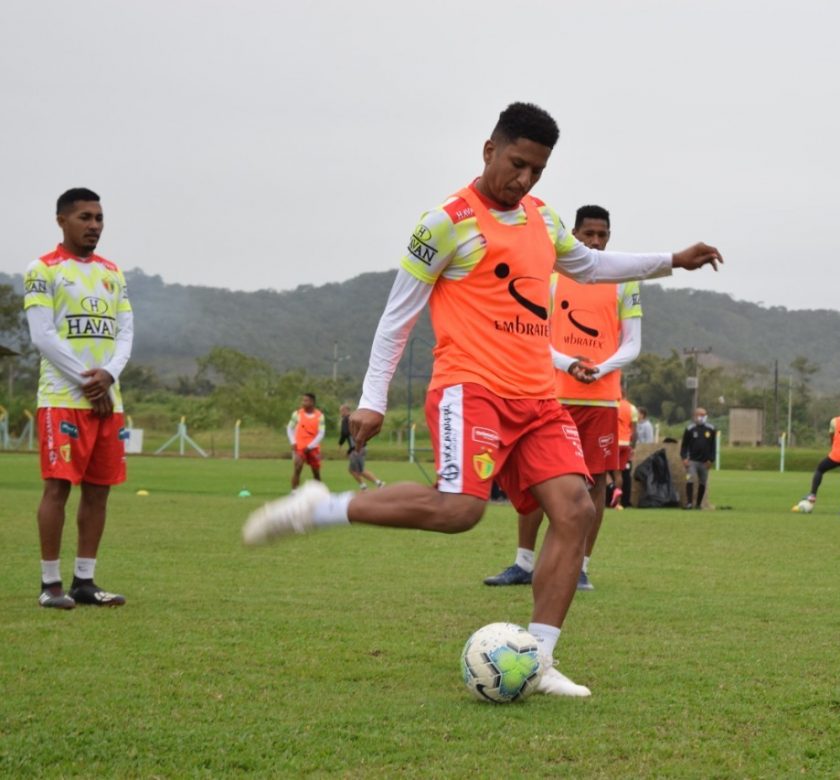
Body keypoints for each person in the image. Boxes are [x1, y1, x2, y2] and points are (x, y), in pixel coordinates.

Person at [242, 102, 722, 698]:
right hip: (470, 390)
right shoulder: (445, 222)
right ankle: (320, 508)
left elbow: (592, 266)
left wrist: (671, 259)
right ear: (489, 150)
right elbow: (397, 317)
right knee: (460, 511)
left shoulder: (542, 220)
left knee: (577, 510)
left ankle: (538, 660)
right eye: (517, 164)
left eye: (538, 171)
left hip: (539, 399)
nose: (524, 180)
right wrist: (372, 398)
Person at [483, 204, 643, 592]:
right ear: (573, 235)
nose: (596, 242)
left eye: (602, 235)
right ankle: (524, 563)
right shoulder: (551, 275)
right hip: (549, 393)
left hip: (602, 399)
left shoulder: (625, 280)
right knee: (537, 477)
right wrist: (568, 364)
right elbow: (534, 332)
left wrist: (599, 369)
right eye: (588, 234)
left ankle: (580, 567)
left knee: (595, 485)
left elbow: (633, 344)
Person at [24, 187, 134, 609]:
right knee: (58, 488)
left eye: (99, 218)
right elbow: (42, 335)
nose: (94, 226)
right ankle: (50, 584)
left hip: (109, 398)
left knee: (99, 490)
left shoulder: (112, 272)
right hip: (62, 397)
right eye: (85, 217)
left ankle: (84, 581)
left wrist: (108, 376)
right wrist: (88, 380)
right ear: (62, 221)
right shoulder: (43, 269)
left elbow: (124, 332)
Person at [804, 402, 840, 515]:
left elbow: (831, 437)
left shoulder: (834, 421)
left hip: (836, 455)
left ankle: (813, 494)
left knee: (820, 469)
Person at [338, 404, 383, 490]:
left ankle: (376, 484)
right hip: (362, 446)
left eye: (341, 411)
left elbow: (345, 433)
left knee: (357, 470)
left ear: (346, 410)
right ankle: (367, 485)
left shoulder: (346, 419)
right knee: (355, 470)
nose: (341, 413)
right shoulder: (356, 419)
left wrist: (341, 444)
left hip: (357, 448)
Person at [680, 407, 717, 509]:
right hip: (692, 461)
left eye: (704, 415)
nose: (702, 417)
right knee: (689, 479)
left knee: (703, 482)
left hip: (705, 462)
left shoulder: (711, 429)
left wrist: (711, 459)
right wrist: (684, 458)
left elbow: (713, 446)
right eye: (700, 415)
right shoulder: (689, 429)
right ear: (695, 416)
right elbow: (684, 446)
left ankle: (698, 504)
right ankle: (689, 503)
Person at [287, 393, 325, 489]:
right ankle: (294, 492)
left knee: (316, 472)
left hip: (313, 447)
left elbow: (321, 433)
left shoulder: (319, 416)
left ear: (312, 402)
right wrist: (293, 442)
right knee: (297, 468)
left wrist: (310, 446)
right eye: (303, 400)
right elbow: (289, 428)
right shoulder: (297, 414)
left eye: (306, 401)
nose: (303, 403)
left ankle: (319, 493)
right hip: (300, 447)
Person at [613, 396, 638, 509]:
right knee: (620, 473)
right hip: (626, 443)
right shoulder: (632, 408)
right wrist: (633, 447)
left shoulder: (613, 404)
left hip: (614, 442)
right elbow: (634, 431)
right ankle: (619, 502)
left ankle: (612, 490)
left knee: (605, 471)